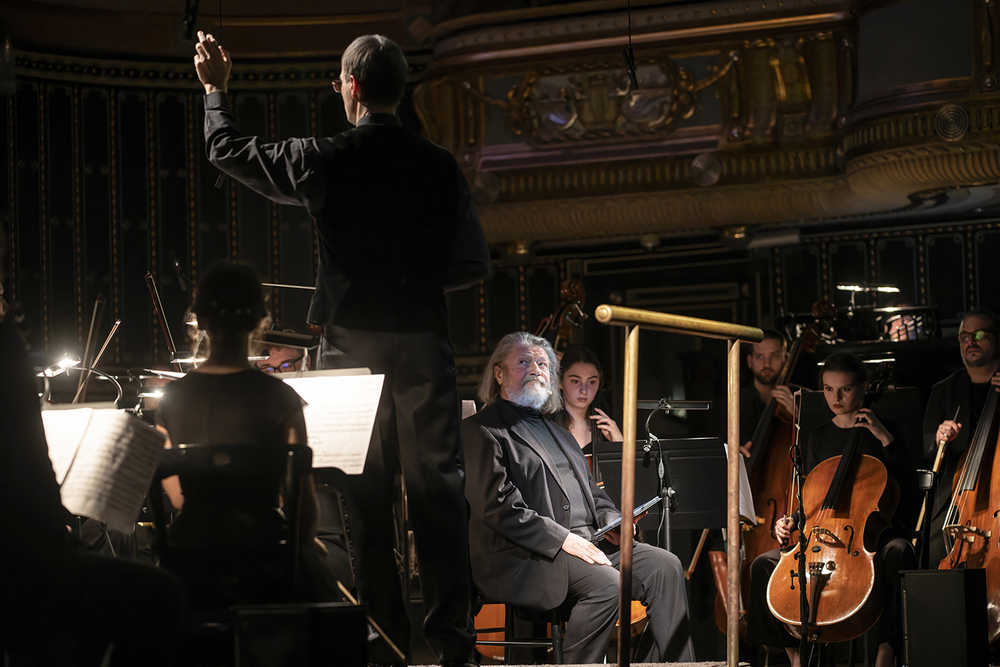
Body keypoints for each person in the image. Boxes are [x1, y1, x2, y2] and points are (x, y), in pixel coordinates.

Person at [194, 32, 489, 666]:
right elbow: (471, 262)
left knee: (364, 497)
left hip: (351, 344)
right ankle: (454, 649)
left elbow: (227, 151)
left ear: (350, 87)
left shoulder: (324, 155)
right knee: (439, 496)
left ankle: (385, 645)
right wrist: (409, 278)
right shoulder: (439, 165)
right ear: (399, 88)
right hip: (422, 342)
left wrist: (216, 90)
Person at [462, 331, 696, 664]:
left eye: (542, 363)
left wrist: (613, 521)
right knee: (608, 584)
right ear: (498, 373)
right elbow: (497, 507)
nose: (535, 370)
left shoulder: (559, 431)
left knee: (665, 566)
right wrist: (563, 539)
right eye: (523, 362)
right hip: (528, 556)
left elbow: (594, 494)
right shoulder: (482, 430)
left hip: (588, 546)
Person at [0, 254, 186, 665]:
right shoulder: (5, 347)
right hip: (15, 560)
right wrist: (57, 530)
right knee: (159, 595)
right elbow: (28, 463)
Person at [155, 262, 339, 608]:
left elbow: (179, 500)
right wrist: (303, 541)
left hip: (191, 562)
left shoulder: (172, 401)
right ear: (260, 321)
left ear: (201, 321)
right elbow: (302, 506)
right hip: (265, 558)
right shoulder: (281, 398)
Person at [747, 352, 916, 667]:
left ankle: (886, 650)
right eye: (827, 389)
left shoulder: (885, 429)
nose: (835, 398)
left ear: (864, 388)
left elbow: (906, 482)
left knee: (900, 551)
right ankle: (794, 655)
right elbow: (811, 494)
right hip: (821, 533)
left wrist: (882, 435)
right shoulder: (819, 436)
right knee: (761, 565)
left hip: (868, 538)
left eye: (845, 389)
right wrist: (791, 520)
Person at [922, 310, 1000, 564]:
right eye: (964, 336)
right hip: (956, 494)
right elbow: (926, 450)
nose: (970, 342)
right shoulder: (944, 390)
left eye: (979, 335)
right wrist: (939, 438)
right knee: (931, 555)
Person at [739, 330, 796, 459]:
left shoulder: (800, 398)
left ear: (786, 359)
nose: (767, 364)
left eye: (774, 356)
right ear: (750, 361)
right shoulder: (732, 403)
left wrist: (799, 418)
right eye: (760, 356)